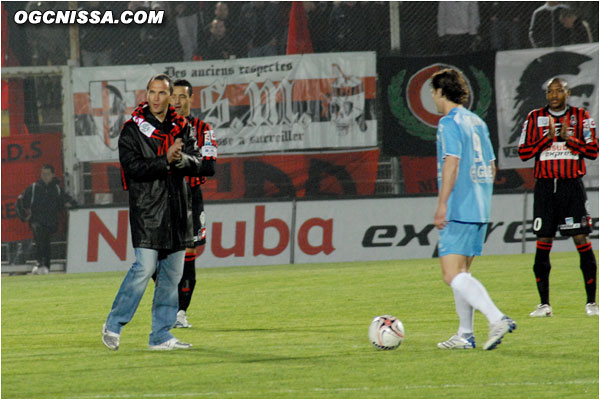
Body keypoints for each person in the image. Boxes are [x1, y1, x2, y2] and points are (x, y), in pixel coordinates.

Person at [101, 74, 216, 351]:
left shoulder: (183, 127)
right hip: (148, 211)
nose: (156, 98)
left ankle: (161, 335)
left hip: (178, 210)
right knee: (144, 268)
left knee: (172, 276)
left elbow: (202, 164)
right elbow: (133, 169)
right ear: (147, 94)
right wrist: (166, 160)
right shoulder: (132, 130)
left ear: (169, 96)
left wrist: (180, 160)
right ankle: (113, 324)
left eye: (162, 93)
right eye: (152, 92)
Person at [431, 68, 516, 350]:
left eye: (433, 91)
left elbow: (452, 163)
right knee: (462, 273)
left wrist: (443, 203)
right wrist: (479, 193)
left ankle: (496, 318)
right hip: (479, 206)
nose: (432, 97)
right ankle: (465, 334)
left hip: (460, 206)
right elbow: (492, 167)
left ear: (442, 91)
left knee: (451, 275)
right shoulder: (477, 121)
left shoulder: (448, 122)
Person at [517, 77, 598, 317]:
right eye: (550, 91)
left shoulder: (582, 117)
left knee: (581, 241)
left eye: (558, 90)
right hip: (544, 189)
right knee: (543, 243)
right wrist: (547, 138)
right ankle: (544, 305)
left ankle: (592, 303)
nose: (554, 95)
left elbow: (593, 151)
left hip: (571, 187)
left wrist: (569, 139)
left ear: (567, 92)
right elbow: (523, 153)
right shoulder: (533, 118)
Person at [152, 79, 218, 329]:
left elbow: (210, 166)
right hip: (160, 197)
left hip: (190, 196)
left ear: (191, 99)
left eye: (182, 96)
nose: (177, 101)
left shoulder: (203, 129)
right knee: (152, 258)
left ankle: (179, 312)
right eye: (173, 96)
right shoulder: (156, 127)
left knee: (188, 255)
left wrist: (179, 162)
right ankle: (167, 303)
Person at [17, 164, 76, 275]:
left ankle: (44, 266)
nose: (45, 176)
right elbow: (20, 200)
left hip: (51, 222)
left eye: (47, 174)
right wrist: (23, 217)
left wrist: (72, 204)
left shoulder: (57, 189)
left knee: (45, 243)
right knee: (40, 239)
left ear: (53, 175)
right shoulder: (34, 187)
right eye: (43, 174)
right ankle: (40, 264)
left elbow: (67, 200)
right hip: (37, 221)